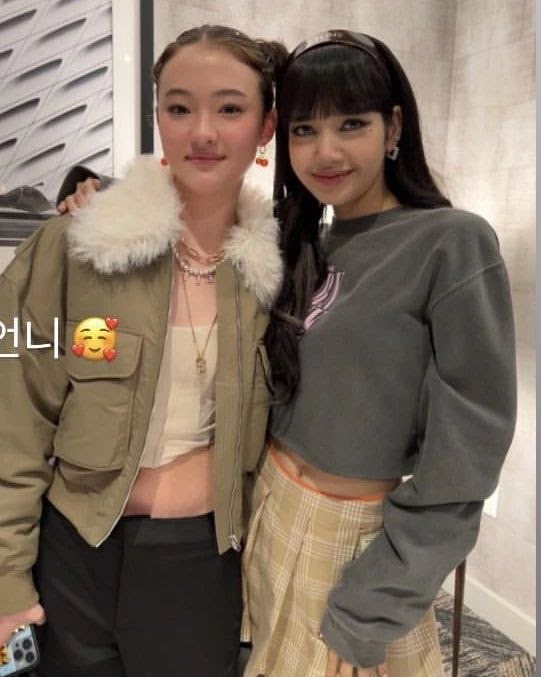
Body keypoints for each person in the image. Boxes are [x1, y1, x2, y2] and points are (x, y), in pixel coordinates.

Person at [0, 25, 288, 677]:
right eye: (179, 108)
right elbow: (13, 419)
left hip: (201, 559)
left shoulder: (278, 272)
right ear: (157, 115)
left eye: (230, 108)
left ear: (266, 126)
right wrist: (6, 574)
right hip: (73, 548)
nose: (202, 132)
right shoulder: (78, 247)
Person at [239, 30, 517, 677]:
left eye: (351, 124)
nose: (325, 151)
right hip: (271, 516)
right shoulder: (307, 242)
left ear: (393, 127)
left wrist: (375, 601)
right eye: (304, 130)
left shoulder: (451, 243)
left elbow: (467, 451)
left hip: (353, 545)